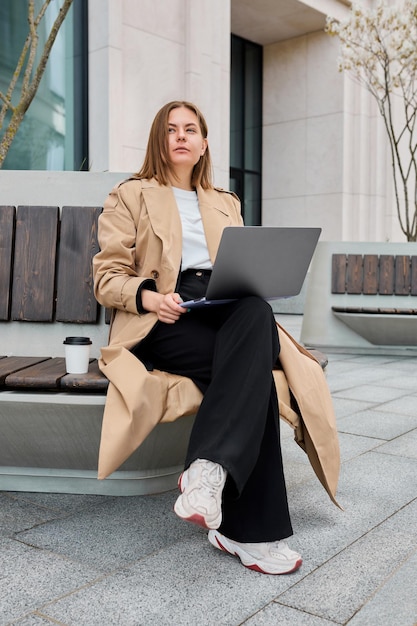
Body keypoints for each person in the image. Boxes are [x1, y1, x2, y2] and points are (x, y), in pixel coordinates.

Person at [93, 100, 302, 575]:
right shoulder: (131, 195)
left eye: (191, 129)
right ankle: (247, 531)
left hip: (227, 307)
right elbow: (106, 277)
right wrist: (149, 297)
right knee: (255, 380)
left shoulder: (225, 201)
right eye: (171, 129)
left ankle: (208, 473)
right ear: (159, 140)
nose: (181, 136)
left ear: (204, 143)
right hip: (165, 316)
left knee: (256, 311)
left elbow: (245, 265)